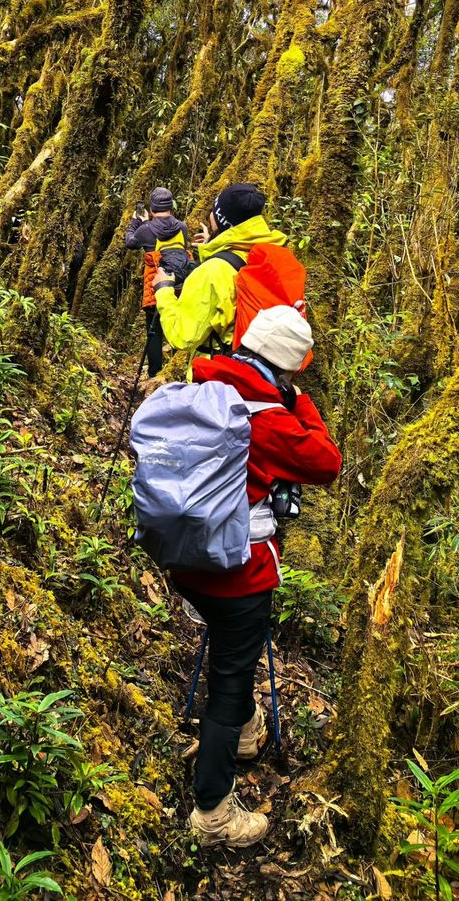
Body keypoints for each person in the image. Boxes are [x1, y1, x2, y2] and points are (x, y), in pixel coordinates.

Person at [173, 304, 341, 848]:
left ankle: (244, 735)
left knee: (228, 650)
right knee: (230, 679)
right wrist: (300, 401)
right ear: (288, 368)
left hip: (184, 559)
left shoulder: (204, 381)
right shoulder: (268, 415)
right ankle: (213, 815)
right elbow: (327, 462)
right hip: (239, 571)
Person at [153, 183, 286, 367]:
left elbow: (183, 336)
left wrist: (163, 289)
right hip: (264, 375)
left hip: (219, 379)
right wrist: (214, 245)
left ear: (220, 219)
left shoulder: (213, 271)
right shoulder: (271, 255)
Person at [124, 187, 188, 378]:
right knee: (178, 324)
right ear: (171, 206)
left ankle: (154, 374)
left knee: (154, 332)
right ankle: (177, 371)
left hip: (156, 283)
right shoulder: (182, 227)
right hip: (178, 284)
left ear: (152, 209)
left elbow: (130, 242)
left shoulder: (146, 229)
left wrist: (136, 222)